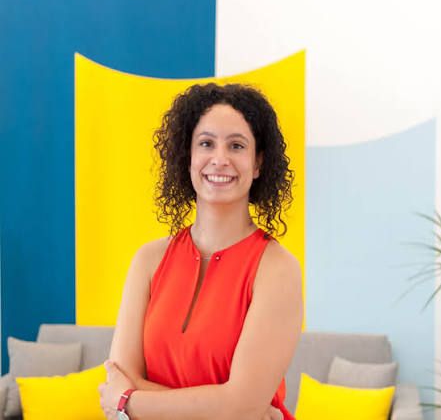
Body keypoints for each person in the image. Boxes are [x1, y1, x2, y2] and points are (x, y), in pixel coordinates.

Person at [99, 83, 303, 420]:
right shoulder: (148, 260)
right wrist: (227, 407)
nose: (220, 159)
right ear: (188, 158)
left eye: (236, 146)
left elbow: (241, 407)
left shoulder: (278, 268)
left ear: (258, 163)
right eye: (206, 143)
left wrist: (129, 402)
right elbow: (120, 377)